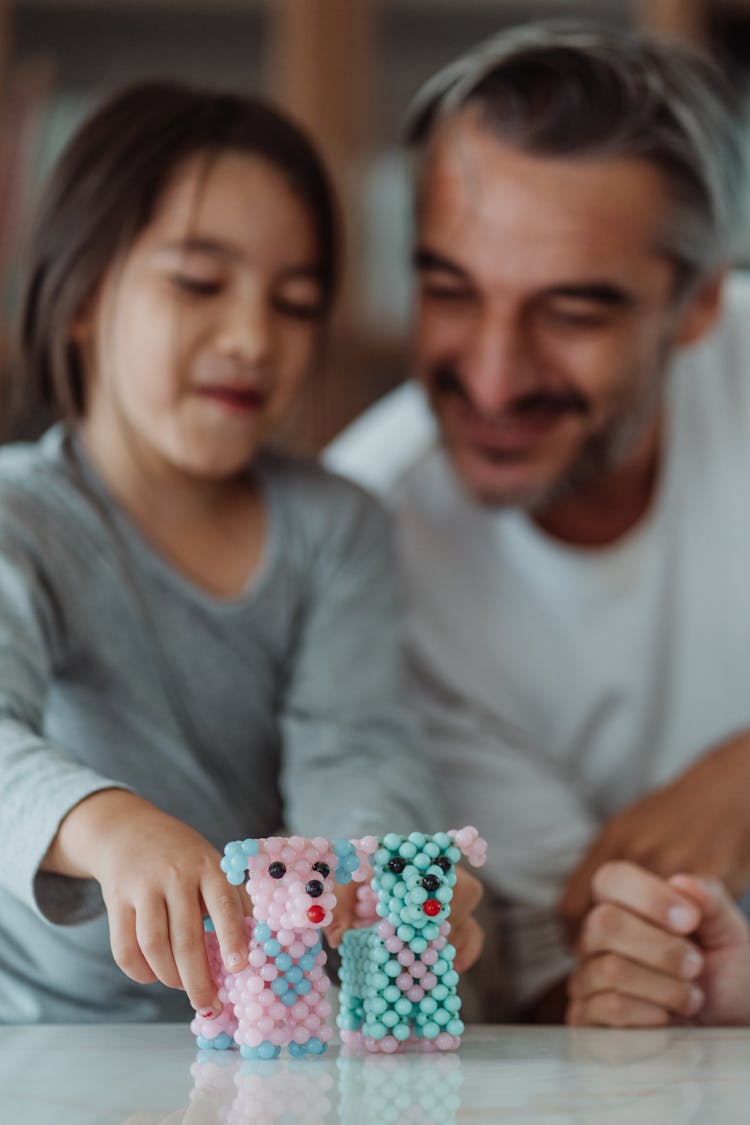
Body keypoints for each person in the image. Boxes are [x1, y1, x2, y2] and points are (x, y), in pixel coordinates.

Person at [0, 80, 481, 1025]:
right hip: (39, 1035)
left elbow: (354, 744)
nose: (251, 337)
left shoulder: (337, 526)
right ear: (84, 296)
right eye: (198, 283)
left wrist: (377, 866)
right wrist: (112, 825)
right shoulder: (22, 515)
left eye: (296, 303)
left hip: (266, 1035)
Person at [326, 18, 750, 1024]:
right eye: (451, 291)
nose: (494, 374)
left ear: (698, 303)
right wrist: (645, 979)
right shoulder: (360, 547)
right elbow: (577, 950)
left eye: (573, 312)